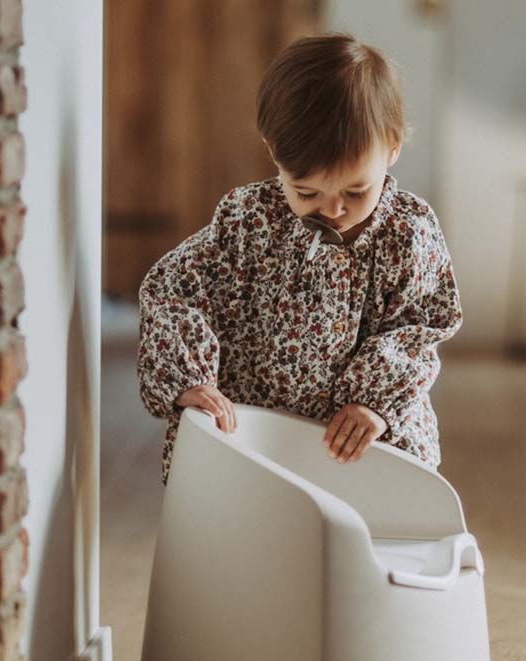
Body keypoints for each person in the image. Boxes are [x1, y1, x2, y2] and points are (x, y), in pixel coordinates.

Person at [137, 32, 463, 485]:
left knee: (388, 496)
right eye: (306, 192)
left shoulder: (408, 233)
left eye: (355, 191)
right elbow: (174, 291)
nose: (332, 209)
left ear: (392, 148)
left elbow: (418, 326)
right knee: (230, 502)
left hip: (363, 433)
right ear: (273, 153)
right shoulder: (250, 220)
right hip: (257, 427)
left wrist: (375, 399)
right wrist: (190, 377)